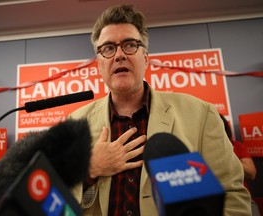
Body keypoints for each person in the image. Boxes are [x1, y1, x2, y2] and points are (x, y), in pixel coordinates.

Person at [69, 4, 251, 216]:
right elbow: (54, 201)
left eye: (129, 45)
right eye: (108, 48)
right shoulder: (74, 125)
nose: (119, 55)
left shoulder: (202, 115)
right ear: (99, 64)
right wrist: (90, 169)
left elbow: (232, 195)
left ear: (145, 58)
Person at [220, 114, 260, 216]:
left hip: (242, 198)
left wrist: (225, 153)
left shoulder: (236, 146)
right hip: (217, 200)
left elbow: (251, 173)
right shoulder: (198, 148)